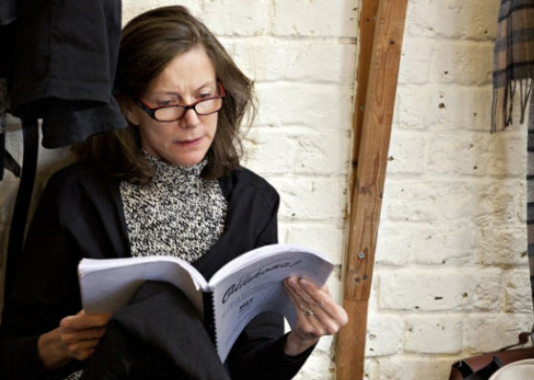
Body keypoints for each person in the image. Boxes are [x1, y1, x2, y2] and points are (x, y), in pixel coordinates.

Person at [0, 5, 347, 380]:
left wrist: (298, 341)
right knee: (155, 303)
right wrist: (61, 344)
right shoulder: (75, 195)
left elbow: (250, 370)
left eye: (204, 96)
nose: (193, 120)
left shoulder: (254, 202)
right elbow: (12, 352)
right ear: (130, 108)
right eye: (167, 104)